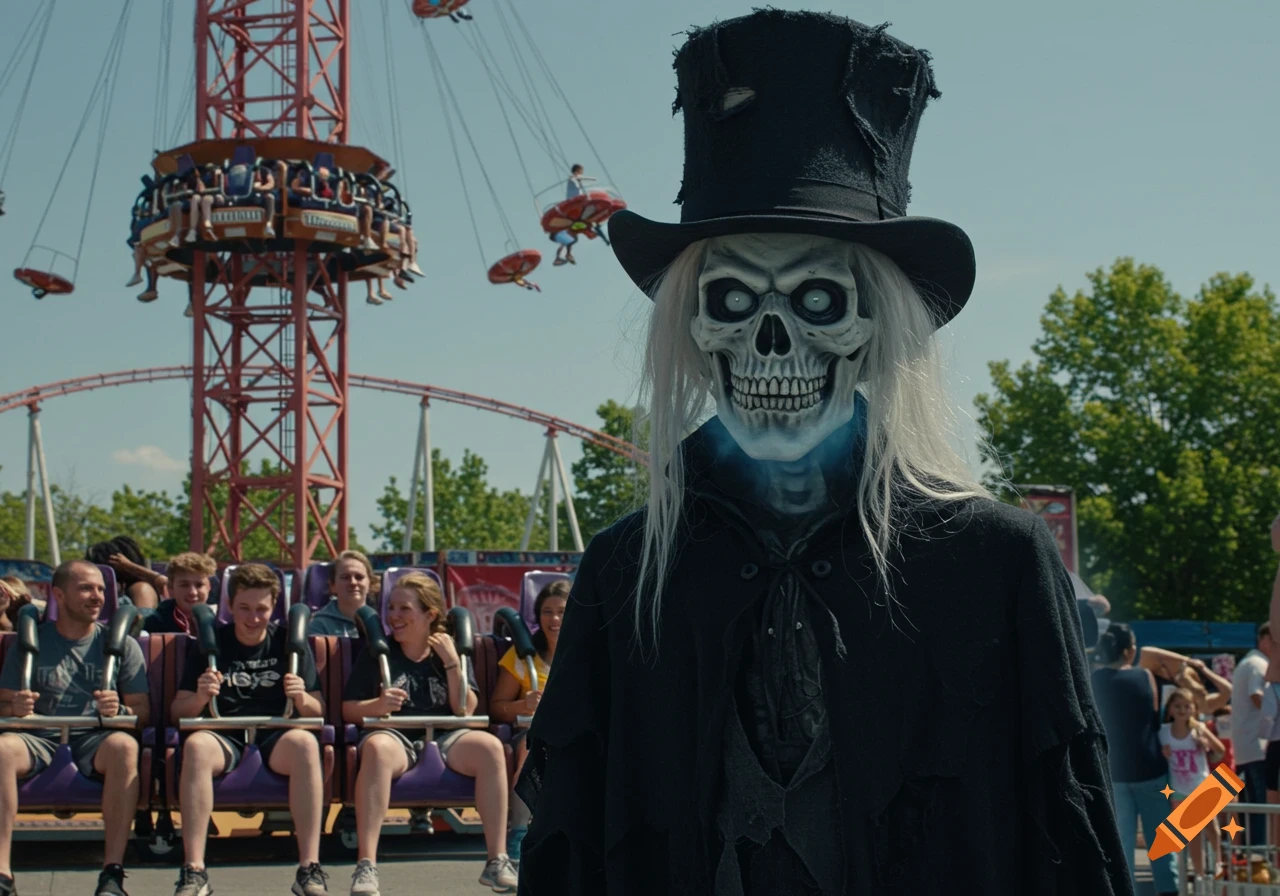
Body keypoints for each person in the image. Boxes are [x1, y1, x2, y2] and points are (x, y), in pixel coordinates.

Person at [515, 11, 1131, 896]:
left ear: (875, 325)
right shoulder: (627, 571)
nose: (771, 343)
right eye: (730, 301)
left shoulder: (994, 562)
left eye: (815, 298)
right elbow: (573, 850)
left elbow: (1069, 852)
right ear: (692, 328)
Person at [342, 573, 518, 894]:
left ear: (430, 615)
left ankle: (496, 859)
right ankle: (366, 864)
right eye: (391, 608)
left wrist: (453, 663)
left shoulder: (448, 652)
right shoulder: (378, 653)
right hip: (397, 735)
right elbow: (349, 709)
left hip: (447, 734)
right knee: (378, 749)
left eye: (405, 609)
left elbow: (466, 708)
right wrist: (378, 703)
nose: (394, 616)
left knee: (491, 747)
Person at [170, 563, 329, 896]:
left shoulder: (290, 645)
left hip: (276, 734)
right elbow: (178, 711)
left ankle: (309, 868)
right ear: (230, 605)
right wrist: (200, 696)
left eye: (261, 609)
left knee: (305, 743)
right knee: (197, 746)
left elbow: (318, 710)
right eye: (244, 608)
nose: (253, 618)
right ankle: (194, 870)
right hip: (225, 732)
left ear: (273, 608)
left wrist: (300, 696)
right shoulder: (212, 645)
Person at [0, 560, 150, 896]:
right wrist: (16, 708)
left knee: (125, 746)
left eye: (100, 589)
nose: (97, 596)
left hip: (94, 738)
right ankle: (3, 873)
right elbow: (4, 705)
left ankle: (112, 872)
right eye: (86, 588)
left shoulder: (120, 645)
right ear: (59, 595)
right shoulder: (30, 643)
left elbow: (143, 712)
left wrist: (120, 709)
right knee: (2, 749)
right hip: (37, 737)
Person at [1090, 624, 1178, 895]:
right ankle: (1169, 889)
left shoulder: (1094, 680)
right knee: (1162, 840)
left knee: (1121, 845)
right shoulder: (1145, 677)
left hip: (1114, 771)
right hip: (1151, 767)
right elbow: (1153, 718)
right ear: (1129, 652)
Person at [489, 579, 568, 862]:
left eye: (562, 611)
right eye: (547, 611)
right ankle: (520, 832)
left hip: (574, 732)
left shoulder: (586, 653)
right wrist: (524, 704)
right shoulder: (523, 657)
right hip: (531, 732)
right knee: (531, 750)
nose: (555, 619)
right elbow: (498, 709)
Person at [1160, 687, 1225, 882]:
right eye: (1177, 706)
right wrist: (1163, 755)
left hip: (1201, 786)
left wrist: (1205, 743)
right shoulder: (1163, 733)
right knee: (1192, 835)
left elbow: (1220, 751)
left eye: (1186, 706)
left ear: (1193, 709)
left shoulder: (1199, 728)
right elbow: (1158, 757)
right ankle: (1199, 873)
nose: (1182, 710)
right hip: (1179, 790)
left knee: (1211, 828)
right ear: (1170, 710)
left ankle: (1219, 863)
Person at [1232, 621, 1273, 881]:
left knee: (1254, 810)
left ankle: (1251, 868)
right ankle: (1258, 870)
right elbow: (1259, 698)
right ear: (1265, 639)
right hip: (1258, 750)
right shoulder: (1258, 665)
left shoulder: (1249, 663)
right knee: (1261, 810)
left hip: (1248, 750)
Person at [143, 552, 216, 636]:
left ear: (208, 587)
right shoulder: (153, 624)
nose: (193, 592)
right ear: (171, 588)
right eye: (184, 585)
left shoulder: (219, 622)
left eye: (199, 585)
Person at [307, 551, 374, 637]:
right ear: (332, 586)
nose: (353, 582)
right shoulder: (318, 626)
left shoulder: (382, 622)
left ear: (370, 584)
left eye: (359, 577)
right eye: (345, 577)